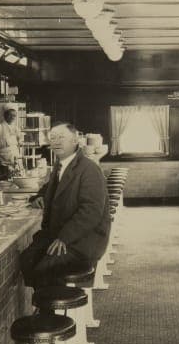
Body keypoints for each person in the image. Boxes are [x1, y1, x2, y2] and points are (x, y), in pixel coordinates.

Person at [20, 122, 111, 288]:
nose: (56, 142)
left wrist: (64, 238)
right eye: (53, 137)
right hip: (63, 234)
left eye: (62, 137)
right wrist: (39, 197)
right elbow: (51, 187)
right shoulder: (61, 165)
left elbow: (91, 211)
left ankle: (49, 309)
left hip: (85, 240)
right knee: (27, 258)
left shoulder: (89, 169)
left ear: (75, 141)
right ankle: (45, 304)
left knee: (44, 267)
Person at [0, 104, 22, 181]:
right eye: (10, 115)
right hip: (3, 165)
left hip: (16, 164)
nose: (13, 117)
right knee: (4, 184)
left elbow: (18, 145)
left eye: (14, 116)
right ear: (5, 115)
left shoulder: (15, 128)